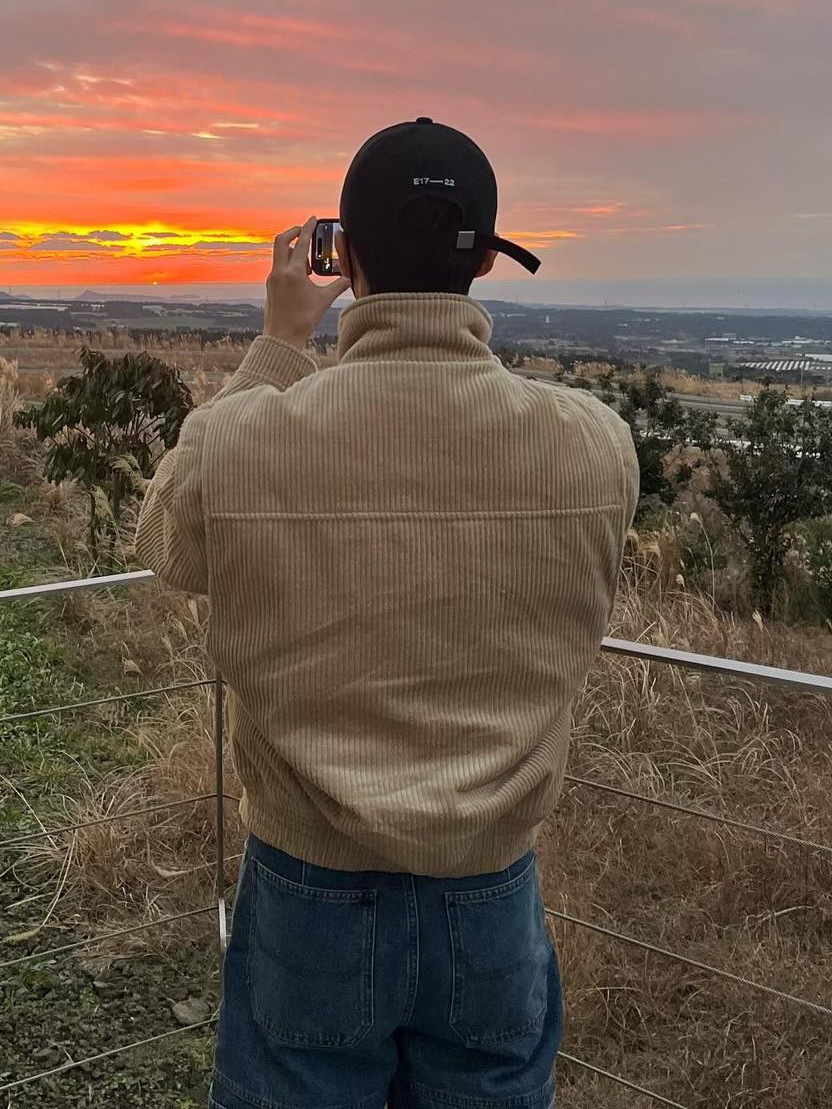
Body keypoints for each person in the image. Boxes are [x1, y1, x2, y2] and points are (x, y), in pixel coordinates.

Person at [135, 117, 640, 1109]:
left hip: (308, 891)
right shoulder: (593, 443)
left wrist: (279, 347)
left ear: (341, 256)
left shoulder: (248, 441)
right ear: (486, 260)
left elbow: (166, 546)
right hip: (491, 896)